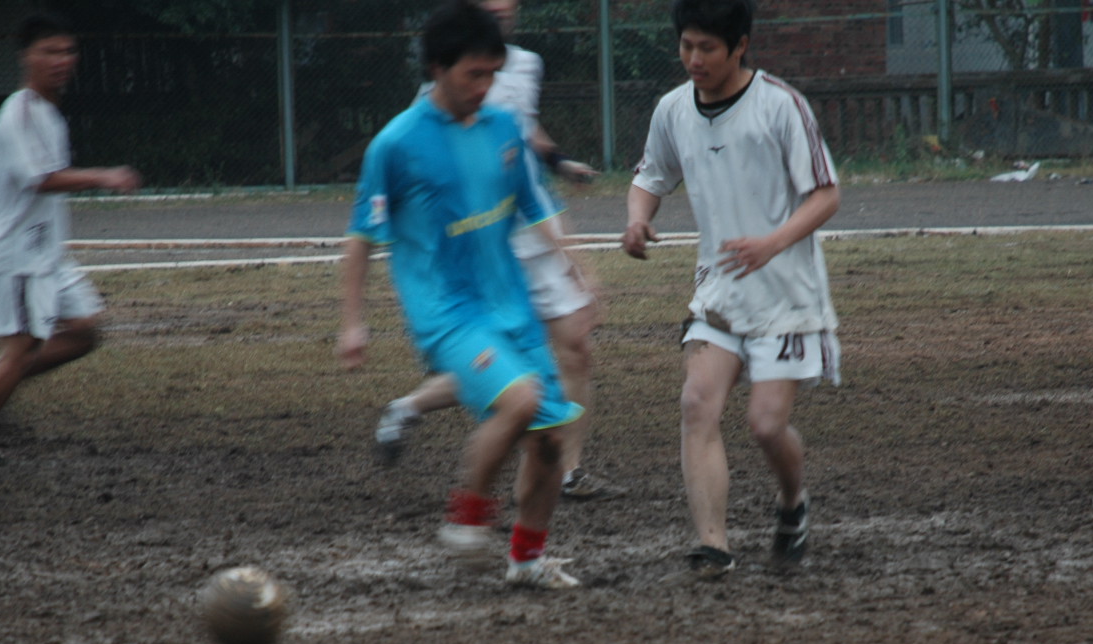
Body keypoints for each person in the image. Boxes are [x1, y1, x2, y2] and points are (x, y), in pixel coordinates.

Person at [338, 0, 584, 590]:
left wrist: (577, 265)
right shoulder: (396, 144)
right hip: (447, 314)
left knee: (552, 441)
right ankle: (466, 519)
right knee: (521, 401)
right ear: (437, 68)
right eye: (474, 74)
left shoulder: (503, 128)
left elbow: (534, 204)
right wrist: (352, 321)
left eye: (492, 74)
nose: (485, 87)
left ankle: (526, 561)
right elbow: (361, 238)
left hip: (512, 306)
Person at [623, 0, 841, 579]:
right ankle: (713, 546)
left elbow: (826, 194)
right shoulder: (673, 109)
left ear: (740, 46)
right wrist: (637, 219)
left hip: (787, 300)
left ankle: (793, 503)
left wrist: (772, 243)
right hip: (718, 295)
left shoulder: (780, 105)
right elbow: (649, 177)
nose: (694, 59)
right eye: (686, 46)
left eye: (708, 48)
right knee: (697, 402)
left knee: (766, 425)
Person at [373, 0, 622, 502]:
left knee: (576, 347)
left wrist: (558, 162)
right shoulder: (436, 95)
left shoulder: (527, 64)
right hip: (486, 247)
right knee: (505, 367)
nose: (501, 8)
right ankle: (412, 410)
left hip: (532, 231)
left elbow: (526, 129)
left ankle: (566, 470)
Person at [0, 12, 141, 467]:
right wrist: (103, 176)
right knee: (22, 348)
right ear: (26, 57)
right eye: (49, 51)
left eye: (68, 51)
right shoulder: (18, 112)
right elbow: (41, 178)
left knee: (84, 331)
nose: (61, 60)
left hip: (46, 254)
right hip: (18, 256)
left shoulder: (46, 113)